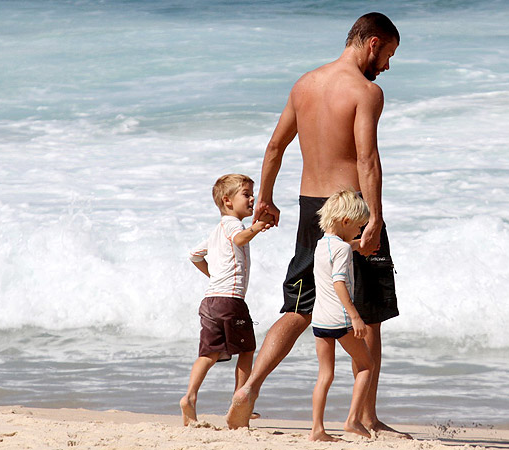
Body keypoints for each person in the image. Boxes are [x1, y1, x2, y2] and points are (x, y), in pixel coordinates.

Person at [227, 12, 406, 437]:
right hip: (351, 210)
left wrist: (265, 198)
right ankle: (362, 417)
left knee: (299, 305)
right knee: (372, 311)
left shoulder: (304, 84)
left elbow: (275, 146)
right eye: (388, 55)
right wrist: (375, 217)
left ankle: (248, 388)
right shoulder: (367, 91)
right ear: (373, 43)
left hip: (313, 208)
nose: (386, 67)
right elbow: (367, 160)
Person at [180, 174, 273, 426]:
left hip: (210, 300)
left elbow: (194, 255)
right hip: (231, 301)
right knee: (247, 349)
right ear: (227, 201)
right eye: (246, 194)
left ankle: (190, 396)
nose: (252, 198)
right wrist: (256, 227)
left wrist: (213, 275)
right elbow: (239, 239)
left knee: (208, 353)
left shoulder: (216, 230)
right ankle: (239, 402)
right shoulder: (234, 225)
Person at [309, 189, 373, 441]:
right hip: (341, 319)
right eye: (358, 227)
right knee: (366, 365)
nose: (359, 231)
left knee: (325, 374)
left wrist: (355, 245)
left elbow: (340, 249)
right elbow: (339, 283)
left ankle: (317, 429)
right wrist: (355, 316)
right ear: (346, 221)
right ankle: (353, 419)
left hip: (320, 319)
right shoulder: (343, 250)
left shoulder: (321, 245)